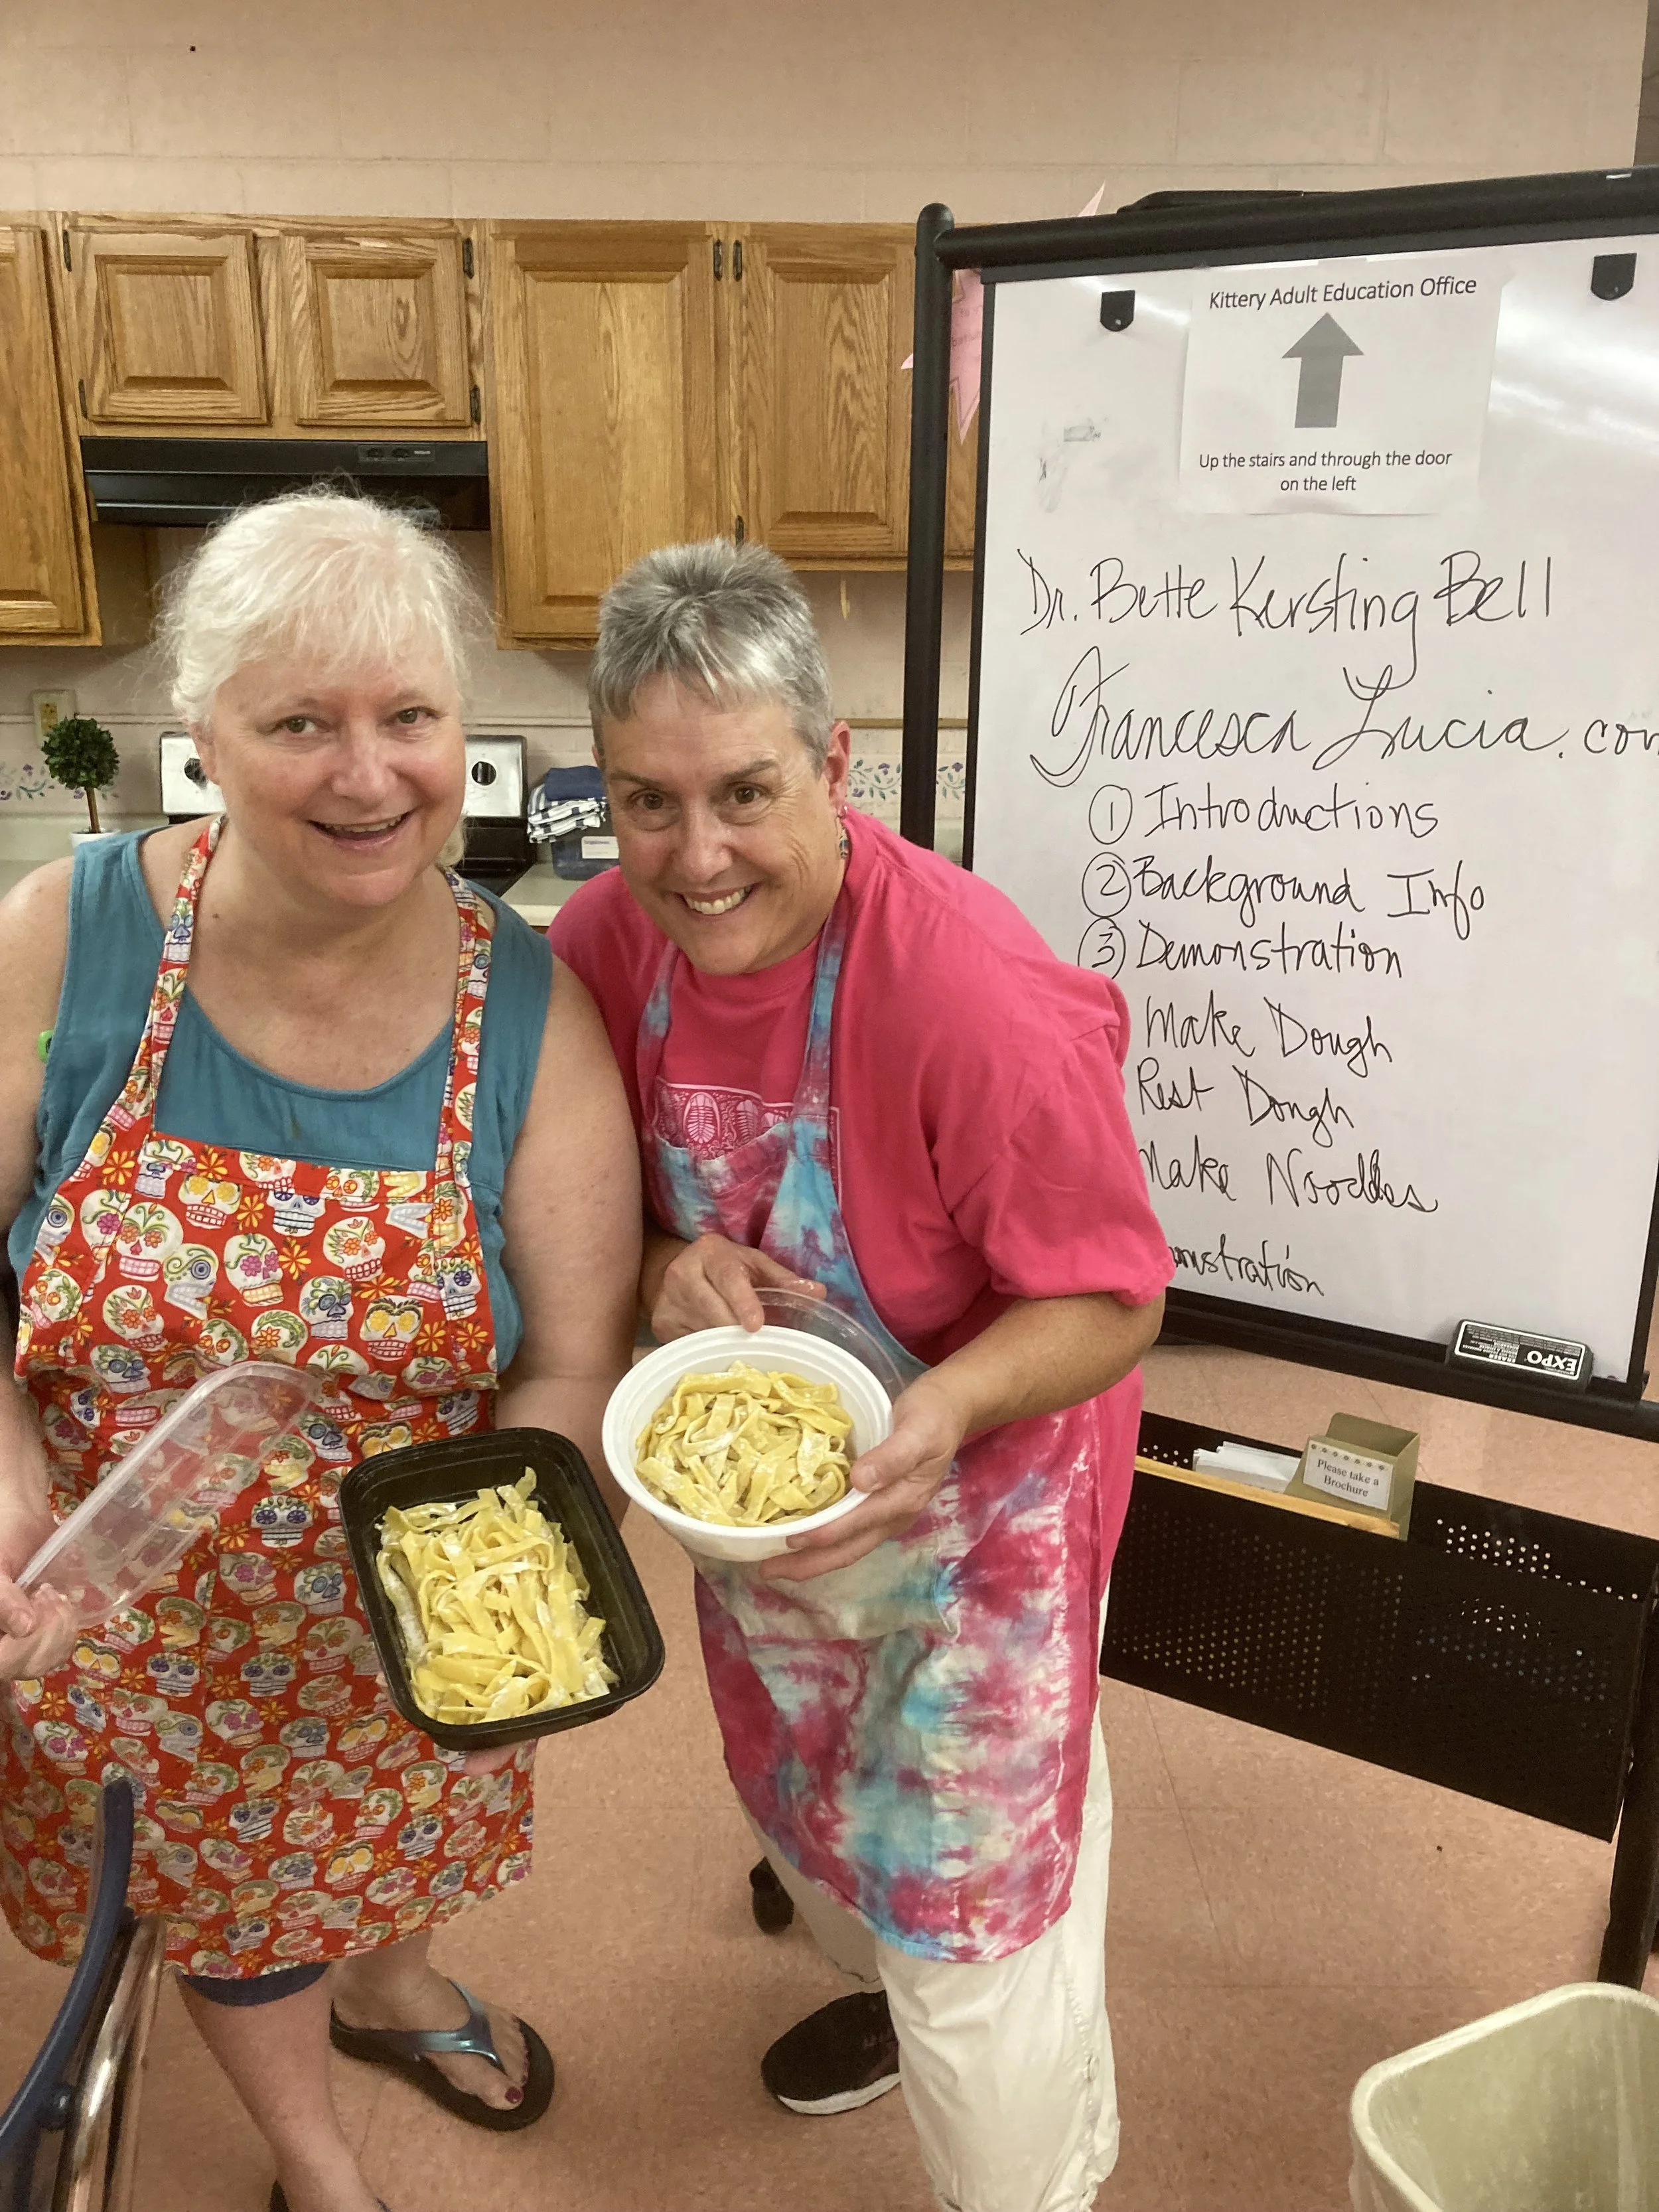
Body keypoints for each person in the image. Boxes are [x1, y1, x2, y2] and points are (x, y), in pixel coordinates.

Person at [0, 492, 641, 2212]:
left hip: (410, 1599)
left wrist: (518, 1555)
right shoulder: (74, 939)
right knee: (224, 1898)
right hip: (122, 1597)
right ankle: (315, 2156)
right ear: (201, 734)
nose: (369, 775)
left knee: (389, 1847)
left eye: (408, 716)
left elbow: (571, 1349)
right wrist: (3, 1468)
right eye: (300, 722)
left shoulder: (531, 1004)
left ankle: (390, 1976)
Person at [550, 539, 1173, 2212]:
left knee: (978, 1928)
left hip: (984, 1511)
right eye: (645, 802)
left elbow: (1112, 1299)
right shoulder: (604, 945)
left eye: (744, 792)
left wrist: (948, 1407)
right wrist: (656, 1274)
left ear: (835, 765)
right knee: (810, 1811)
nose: (697, 860)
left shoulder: (967, 994)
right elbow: (573, 1221)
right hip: (780, 1526)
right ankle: (869, 1979)